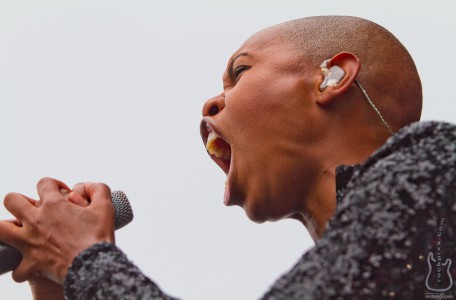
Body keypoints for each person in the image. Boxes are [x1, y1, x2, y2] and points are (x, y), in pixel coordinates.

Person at [0, 15, 455, 299]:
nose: (211, 105)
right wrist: (59, 279)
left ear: (332, 77)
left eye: (240, 73)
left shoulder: (437, 164)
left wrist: (83, 259)